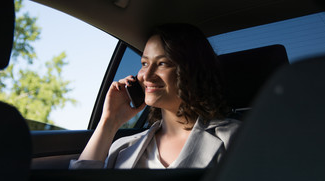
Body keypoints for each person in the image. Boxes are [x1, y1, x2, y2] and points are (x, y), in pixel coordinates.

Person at [70, 23, 240, 169]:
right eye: (144, 63)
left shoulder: (235, 137)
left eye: (162, 63)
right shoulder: (124, 147)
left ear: (192, 71)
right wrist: (109, 122)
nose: (147, 75)